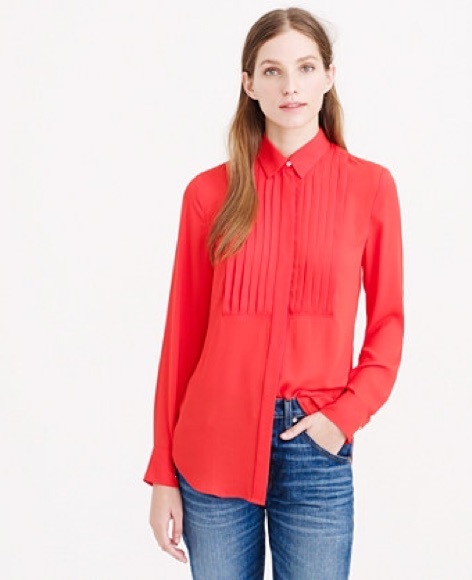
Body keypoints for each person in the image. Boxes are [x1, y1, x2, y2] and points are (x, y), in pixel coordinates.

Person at [144, 6, 404, 579]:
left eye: (306, 68)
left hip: (315, 446)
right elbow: (181, 340)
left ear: (329, 76)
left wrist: (344, 416)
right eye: (272, 71)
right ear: (249, 84)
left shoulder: (370, 188)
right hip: (211, 446)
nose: (290, 87)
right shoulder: (208, 194)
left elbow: (388, 324)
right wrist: (163, 471)